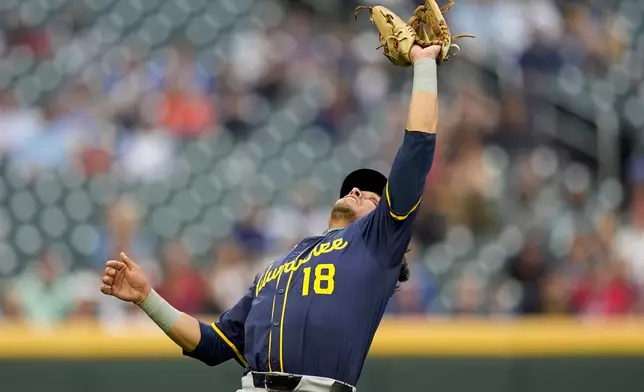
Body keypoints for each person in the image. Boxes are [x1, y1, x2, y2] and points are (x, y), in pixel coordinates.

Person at [99, 40, 441, 392]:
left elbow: (416, 152)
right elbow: (213, 345)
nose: (356, 191)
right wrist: (147, 297)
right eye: (352, 188)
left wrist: (425, 64)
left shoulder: (375, 243)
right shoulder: (277, 267)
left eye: (370, 196)